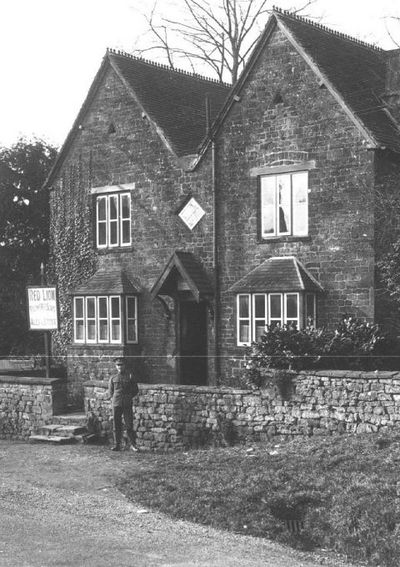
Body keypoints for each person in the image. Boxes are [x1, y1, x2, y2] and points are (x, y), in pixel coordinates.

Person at [108, 357, 139, 452]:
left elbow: (135, 390)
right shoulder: (113, 378)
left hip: (126, 403)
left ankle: (133, 445)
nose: (119, 367)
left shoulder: (130, 376)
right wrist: (114, 399)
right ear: (116, 366)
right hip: (116, 403)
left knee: (129, 424)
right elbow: (111, 392)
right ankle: (117, 445)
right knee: (116, 425)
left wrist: (128, 397)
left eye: (121, 365)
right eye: (118, 365)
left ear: (124, 365)